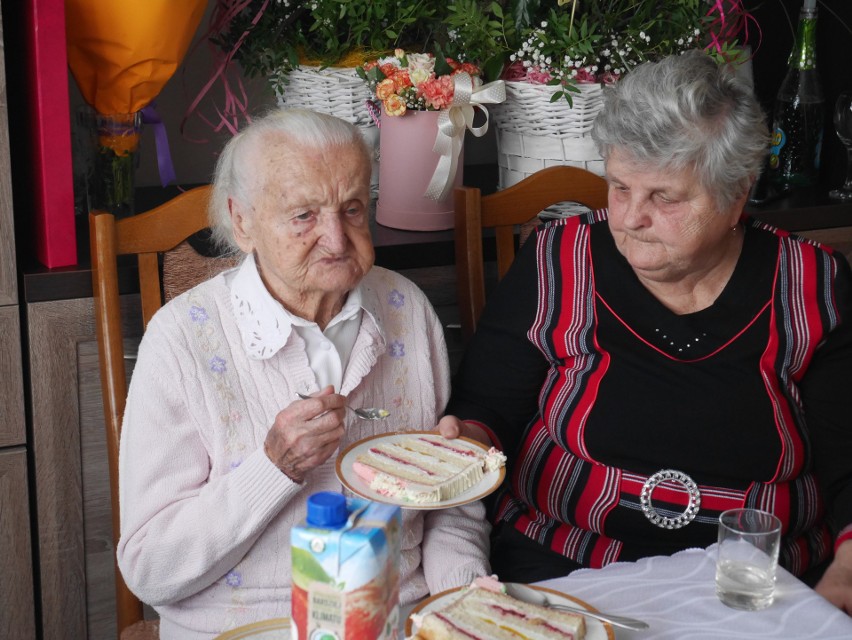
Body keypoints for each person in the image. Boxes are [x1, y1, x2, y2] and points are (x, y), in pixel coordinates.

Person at [442, 50, 852, 613]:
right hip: (562, 574)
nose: (630, 218)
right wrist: (464, 440)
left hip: (752, 588)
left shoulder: (812, 285)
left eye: (665, 196)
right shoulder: (558, 259)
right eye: (619, 187)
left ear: (737, 195)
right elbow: (487, 406)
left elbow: (848, 457)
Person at [116, 109, 490, 639]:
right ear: (242, 222)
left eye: (353, 209)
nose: (337, 240)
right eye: (303, 216)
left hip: (400, 623)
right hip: (246, 628)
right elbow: (150, 569)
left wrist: (466, 605)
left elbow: (448, 507)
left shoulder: (406, 308)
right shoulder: (181, 340)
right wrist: (271, 469)